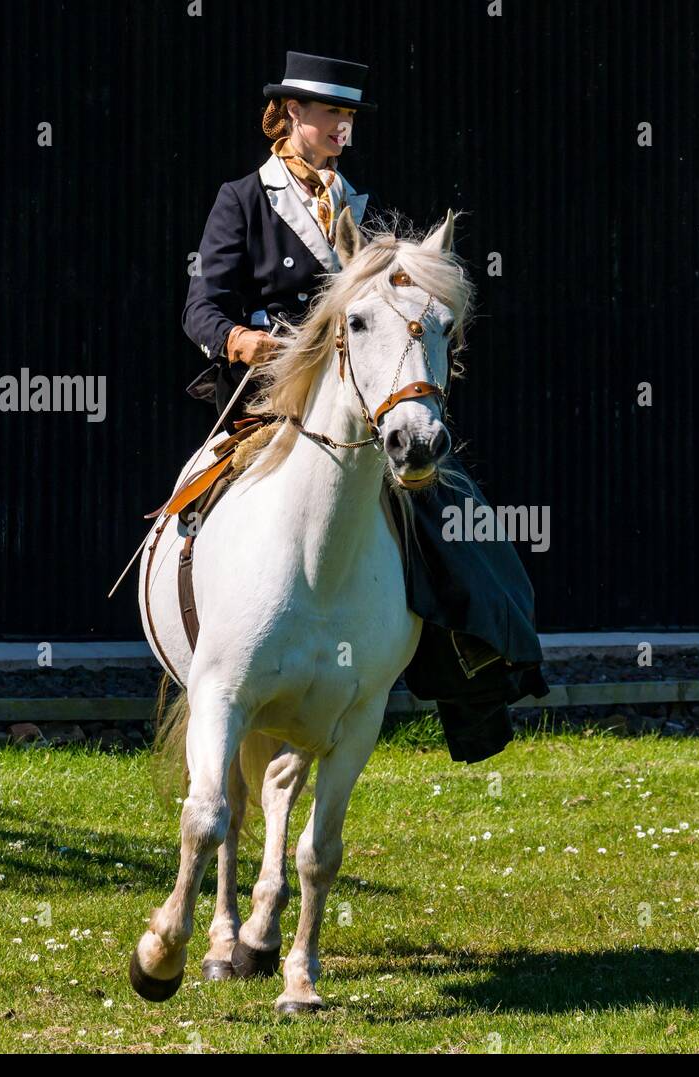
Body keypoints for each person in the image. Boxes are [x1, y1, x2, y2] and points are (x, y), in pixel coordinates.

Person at [182, 52, 548, 762]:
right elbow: (202, 303)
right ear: (291, 116)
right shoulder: (244, 199)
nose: (342, 131)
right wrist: (237, 339)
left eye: (348, 119)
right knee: (198, 493)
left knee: (456, 508)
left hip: (355, 401)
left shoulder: (359, 206)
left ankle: (472, 673)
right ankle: (186, 602)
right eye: (331, 117)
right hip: (268, 394)